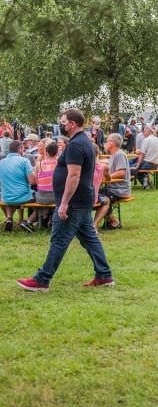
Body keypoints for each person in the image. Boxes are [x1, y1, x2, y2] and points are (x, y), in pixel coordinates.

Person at [17, 108, 114, 291]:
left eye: (63, 122)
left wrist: (64, 203)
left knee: (59, 240)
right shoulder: (82, 140)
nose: (61, 125)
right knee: (89, 239)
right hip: (82, 200)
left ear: (72, 123)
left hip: (74, 202)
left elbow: (74, 176)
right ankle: (104, 275)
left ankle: (42, 279)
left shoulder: (77, 144)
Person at [0, 140, 36, 232]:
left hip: (6, 197)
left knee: (10, 196)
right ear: (19, 149)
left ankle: (9, 218)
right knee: (42, 200)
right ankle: (28, 221)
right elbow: (32, 181)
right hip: (23, 196)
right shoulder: (24, 161)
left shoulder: (1, 162)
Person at [103, 133, 131, 228]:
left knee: (97, 196)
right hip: (113, 188)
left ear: (113, 143)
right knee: (94, 194)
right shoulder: (113, 155)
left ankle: (113, 220)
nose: (106, 143)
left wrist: (107, 177)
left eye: (107, 141)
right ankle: (109, 219)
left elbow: (121, 173)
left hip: (119, 190)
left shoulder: (119, 155)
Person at [131, 124, 158, 188]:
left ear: (149, 132)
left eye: (144, 131)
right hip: (156, 165)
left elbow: (142, 155)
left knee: (131, 169)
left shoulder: (146, 140)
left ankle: (145, 182)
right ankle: (146, 180)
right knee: (135, 167)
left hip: (148, 164)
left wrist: (137, 165)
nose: (143, 133)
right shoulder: (157, 139)